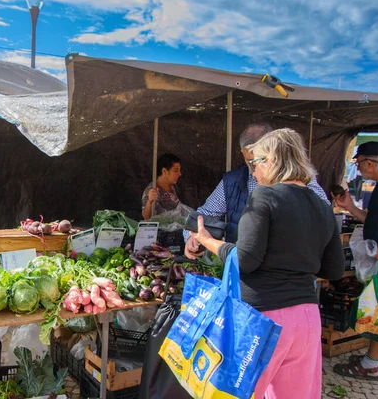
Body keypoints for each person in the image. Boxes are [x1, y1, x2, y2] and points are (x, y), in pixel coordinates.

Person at [192, 128, 344, 399]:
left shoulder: (265, 196)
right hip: (306, 318)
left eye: (256, 162)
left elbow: (245, 260)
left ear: (272, 161)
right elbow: (333, 269)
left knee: (235, 393)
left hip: (262, 319)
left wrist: (207, 241)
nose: (253, 170)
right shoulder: (322, 206)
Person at [185, 123, 330, 257]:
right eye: (251, 161)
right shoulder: (232, 181)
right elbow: (205, 214)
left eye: (260, 160)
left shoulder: (303, 182)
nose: (255, 169)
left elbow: (324, 218)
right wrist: (192, 236)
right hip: (247, 274)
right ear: (242, 152)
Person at [333, 141, 378, 380]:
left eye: (358, 163)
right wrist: (350, 207)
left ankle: (370, 364)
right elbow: (375, 219)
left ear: (369, 162)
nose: (358, 169)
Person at [141, 153, 183, 220]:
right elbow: (146, 216)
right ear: (164, 171)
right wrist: (149, 201)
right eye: (176, 170)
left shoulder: (172, 187)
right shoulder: (152, 190)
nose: (179, 174)